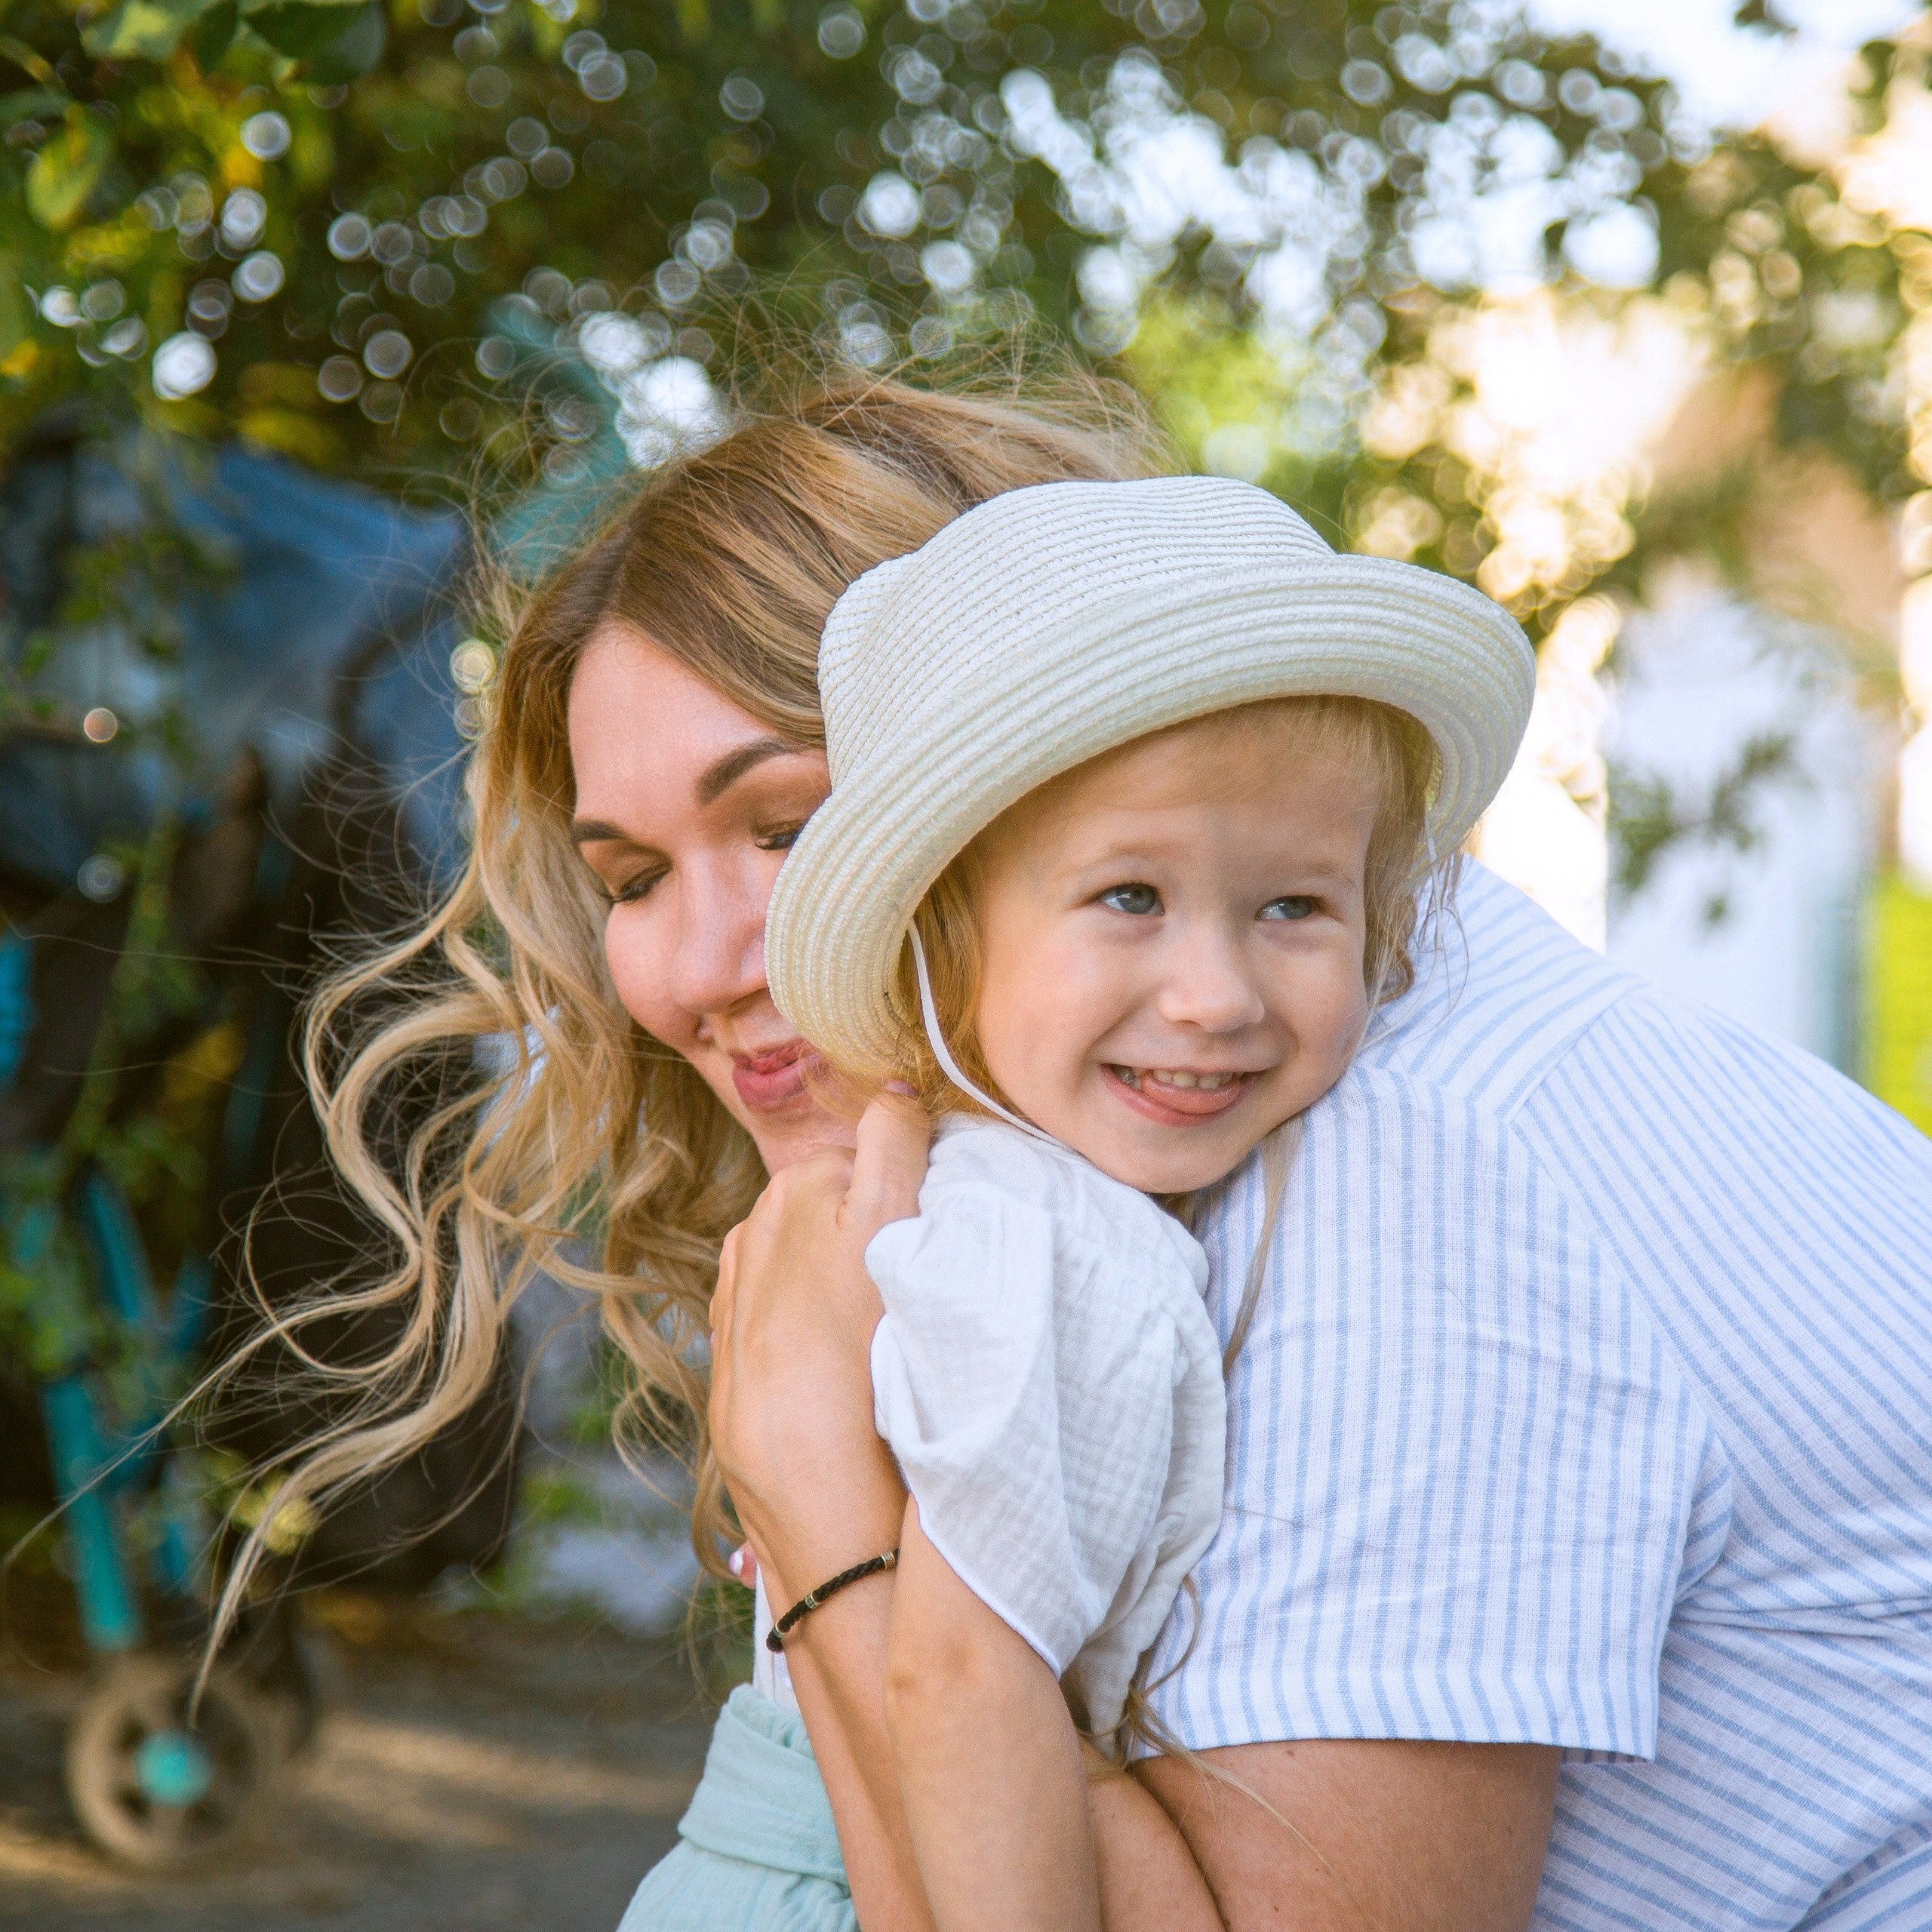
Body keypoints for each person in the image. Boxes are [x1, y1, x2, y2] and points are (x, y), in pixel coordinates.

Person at [275, 365, 1932, 1932]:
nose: (698, 968)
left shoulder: (1395, 1183)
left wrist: (820, 1498)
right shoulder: (1181, 1127)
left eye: (786, 827)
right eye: (631, 875)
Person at [620, 469, 1536, 1929]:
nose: (1218, 995)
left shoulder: (1030, 1205)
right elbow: (959, 1668)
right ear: (948, 936)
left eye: (1297, 904)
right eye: (1129, 898)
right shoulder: (1058, 1247)